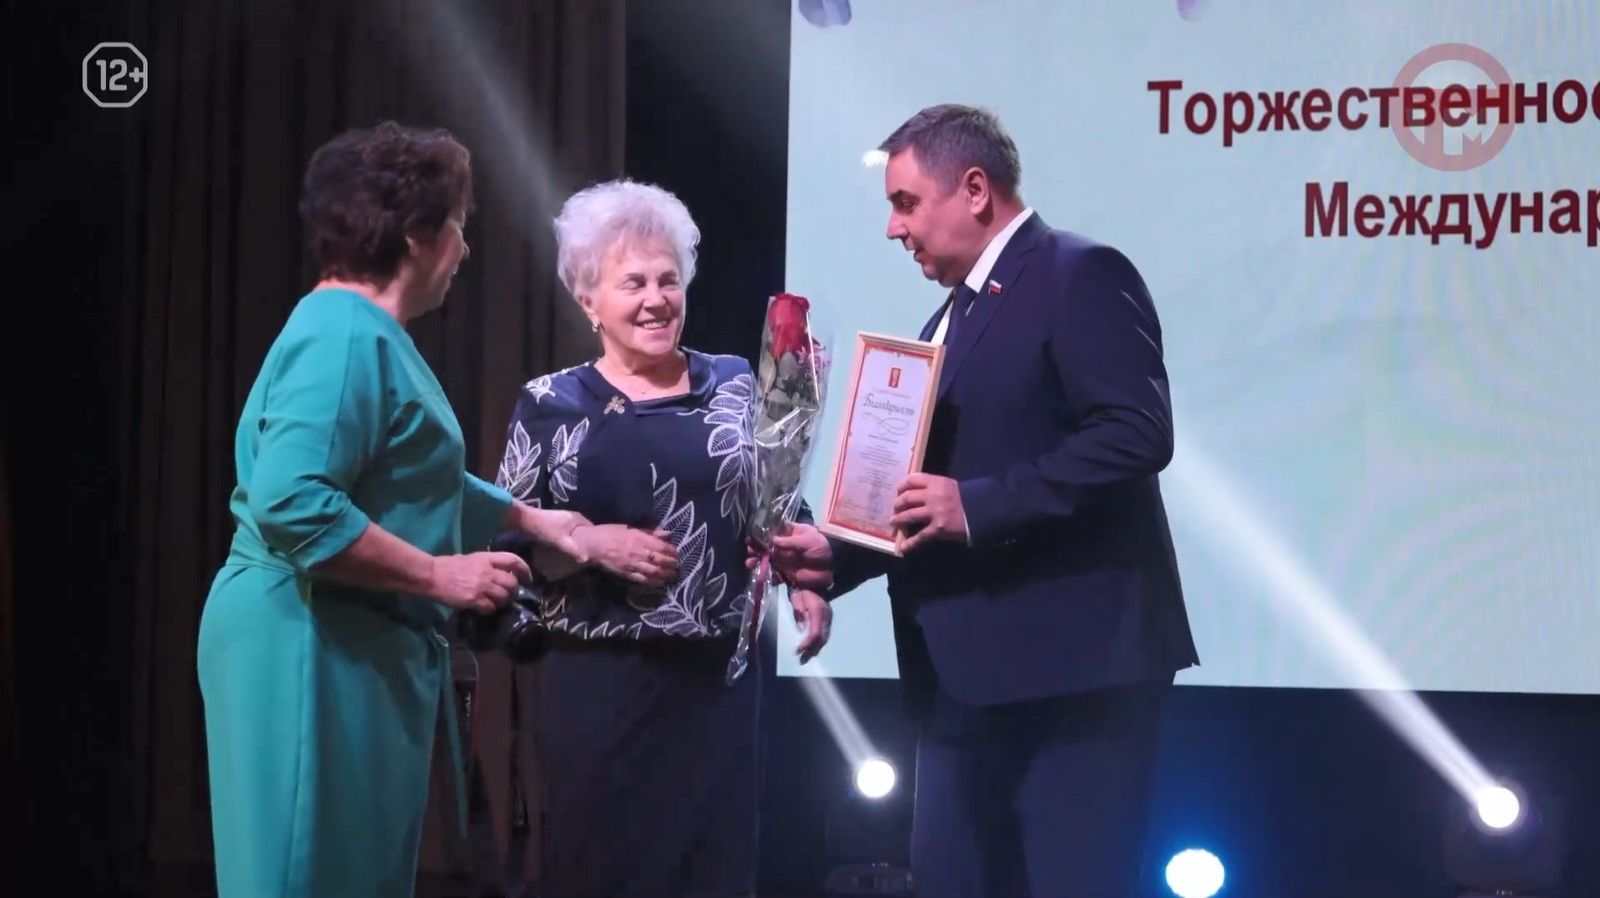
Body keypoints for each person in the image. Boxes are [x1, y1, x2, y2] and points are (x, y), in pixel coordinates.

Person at [772, 104, 1200, 897]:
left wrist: (977, 506)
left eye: (905, 203)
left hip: (1071, 679)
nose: (894, 229)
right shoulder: (952, 313)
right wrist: (836, 555)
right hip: (961, 683)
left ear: (975, 190)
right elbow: (931, 489)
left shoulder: (1079, 272)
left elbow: (1136, 433)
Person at [195, 121, 624, 898]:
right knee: (302, 877)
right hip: (305, 639)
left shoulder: (367, 334)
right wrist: (437, 575)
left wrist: (532, 521)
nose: (465, 248)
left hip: (348, 641)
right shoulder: (341, 335)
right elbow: (293, 502)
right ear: (417, 236)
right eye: (458, 226)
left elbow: (409, 471)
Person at [485, 178, 832, 898]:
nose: (656, 299)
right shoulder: (549, 403)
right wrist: (589, 543)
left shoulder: (734, 382)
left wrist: (803, 578)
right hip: (597, 685)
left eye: (668, 280)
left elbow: (772, 498)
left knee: (711, 873)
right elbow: (506, 542)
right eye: (633, 283)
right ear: (589, 300)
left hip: (716, 686)